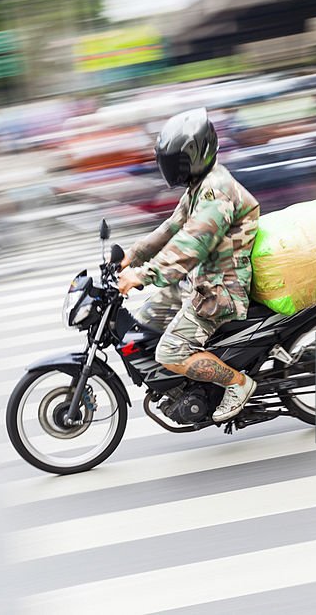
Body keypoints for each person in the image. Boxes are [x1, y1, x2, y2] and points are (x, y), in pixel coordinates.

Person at [117, 108, 260, 422]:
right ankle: (182, 384)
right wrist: (132, 255)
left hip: (221, 288)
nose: (169, 167)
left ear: (196, 154)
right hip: (200, 281)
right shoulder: (200, 186)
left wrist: (142, 275)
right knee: (146, 319)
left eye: (176, 160)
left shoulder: (215, 190)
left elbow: (191, 245)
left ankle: (238, 384)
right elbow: (171, 229)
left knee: (169, 351)